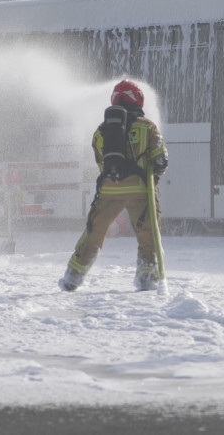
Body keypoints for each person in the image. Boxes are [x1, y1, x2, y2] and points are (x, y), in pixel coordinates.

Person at [59, 79, 168, 292]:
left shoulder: (101, 132)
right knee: (148, 234)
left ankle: (73, 276)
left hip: (109, 190)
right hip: (140, 191)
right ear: (137, 98)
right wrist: (152, 177)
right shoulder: (147, 126)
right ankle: (147, 278)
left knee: (94, 232)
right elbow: (161, 159)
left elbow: (101, 163)